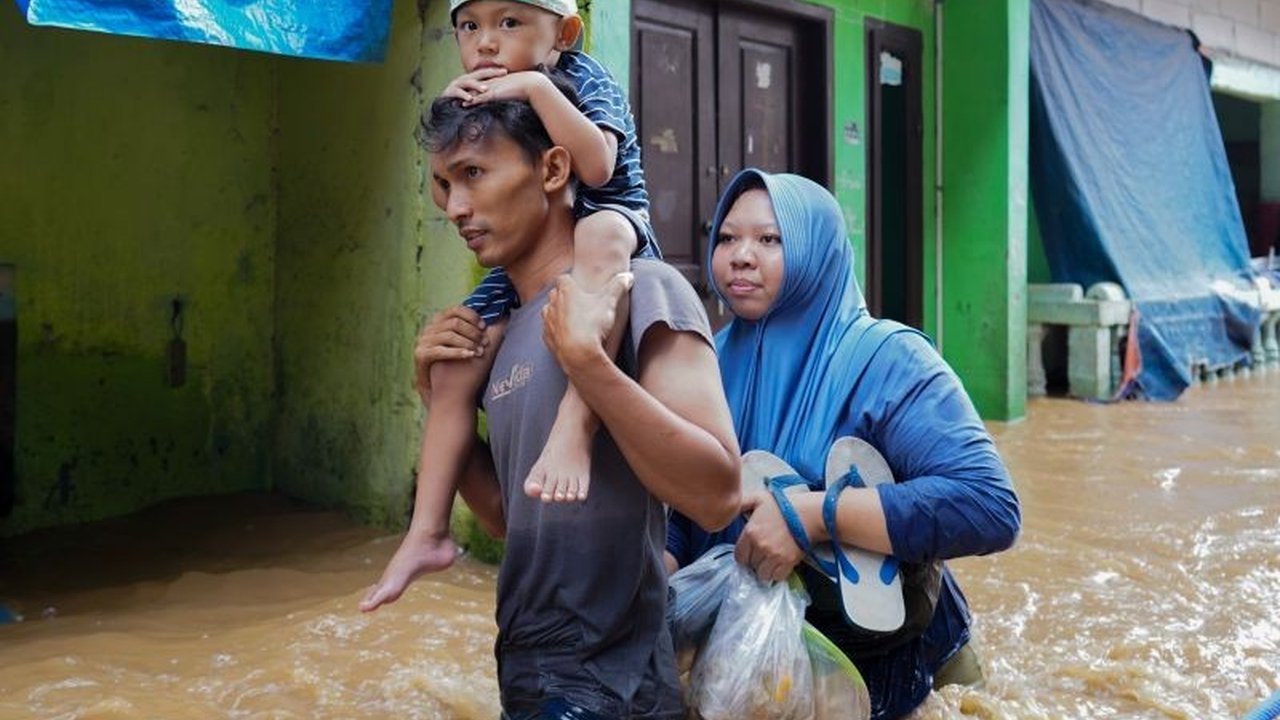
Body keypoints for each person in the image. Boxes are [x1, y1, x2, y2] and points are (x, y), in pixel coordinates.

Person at [363, 94, 742, 720]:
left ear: (553, 170)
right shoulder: (497, 334)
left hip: (614, 684)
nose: (456, 208)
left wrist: (588, 366)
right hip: (526, 671)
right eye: (442, 185)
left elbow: (717, 493)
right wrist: (436, 396)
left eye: (474, 174)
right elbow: (512, 520)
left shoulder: (644, 290)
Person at [665, 169, 1022, 720]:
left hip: (901, 667)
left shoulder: (889, 361)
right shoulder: (703, 363)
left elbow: (988, 505)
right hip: (762, 666)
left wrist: (813, 514)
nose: (740, 255)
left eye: (770, 239)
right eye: (728, 237)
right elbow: (687, 507)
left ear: (817, 252)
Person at [442, 0, 658, 506]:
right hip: (537, 248)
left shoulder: (585, 77)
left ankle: (574, 422)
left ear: (564, 34)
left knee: (598, 233)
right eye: (469, 27)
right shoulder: (485, 94)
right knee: (455, 350)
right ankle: (428, 529)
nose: (486, 43)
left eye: (509, 23)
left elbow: (599, 168)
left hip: (613, 224)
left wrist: (538, 89)